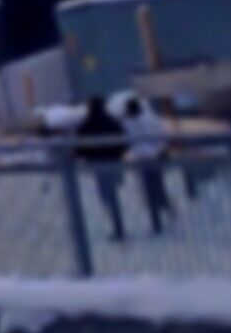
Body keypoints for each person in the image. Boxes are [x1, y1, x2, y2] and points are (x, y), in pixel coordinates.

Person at [74, 95, 129, 244]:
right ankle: (118, 225)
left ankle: (117, 227)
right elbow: (123, 139)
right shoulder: (112, 121)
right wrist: (119, 154)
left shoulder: (86, 125)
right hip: (113, 160)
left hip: (98, 163)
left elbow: (79, 146)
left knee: (107, 195)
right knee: (113, 193)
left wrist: (82, 156)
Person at [123, 94, 175, 236]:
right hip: (149, 157)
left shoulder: (135, 121)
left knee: (151, 186)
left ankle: (159, 215)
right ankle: (162, 211)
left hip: (148, 157)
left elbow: (131, 140)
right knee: (154, 186)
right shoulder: (149, 119)